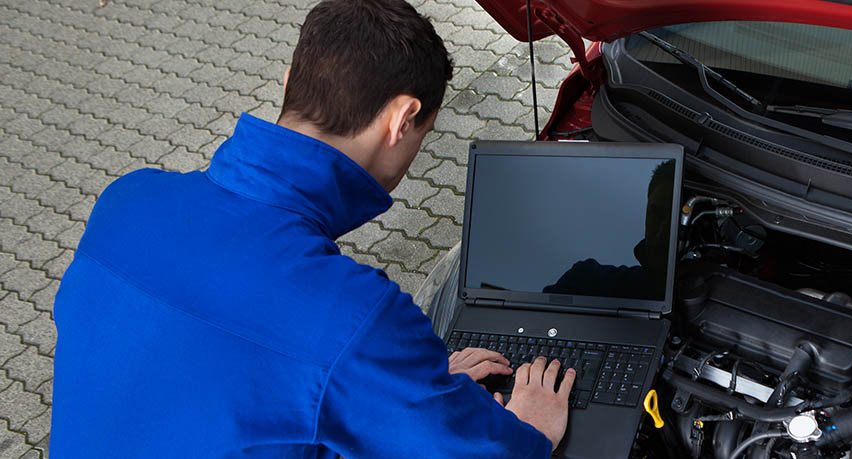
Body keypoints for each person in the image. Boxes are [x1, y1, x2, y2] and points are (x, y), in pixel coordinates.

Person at [50, 0, 572, 456]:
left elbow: (223, 380)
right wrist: (527, 431)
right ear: (401, 118)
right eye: (424, 134)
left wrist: (414, 393)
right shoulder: (355, 317)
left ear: (289, 83)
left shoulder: (126, 200)